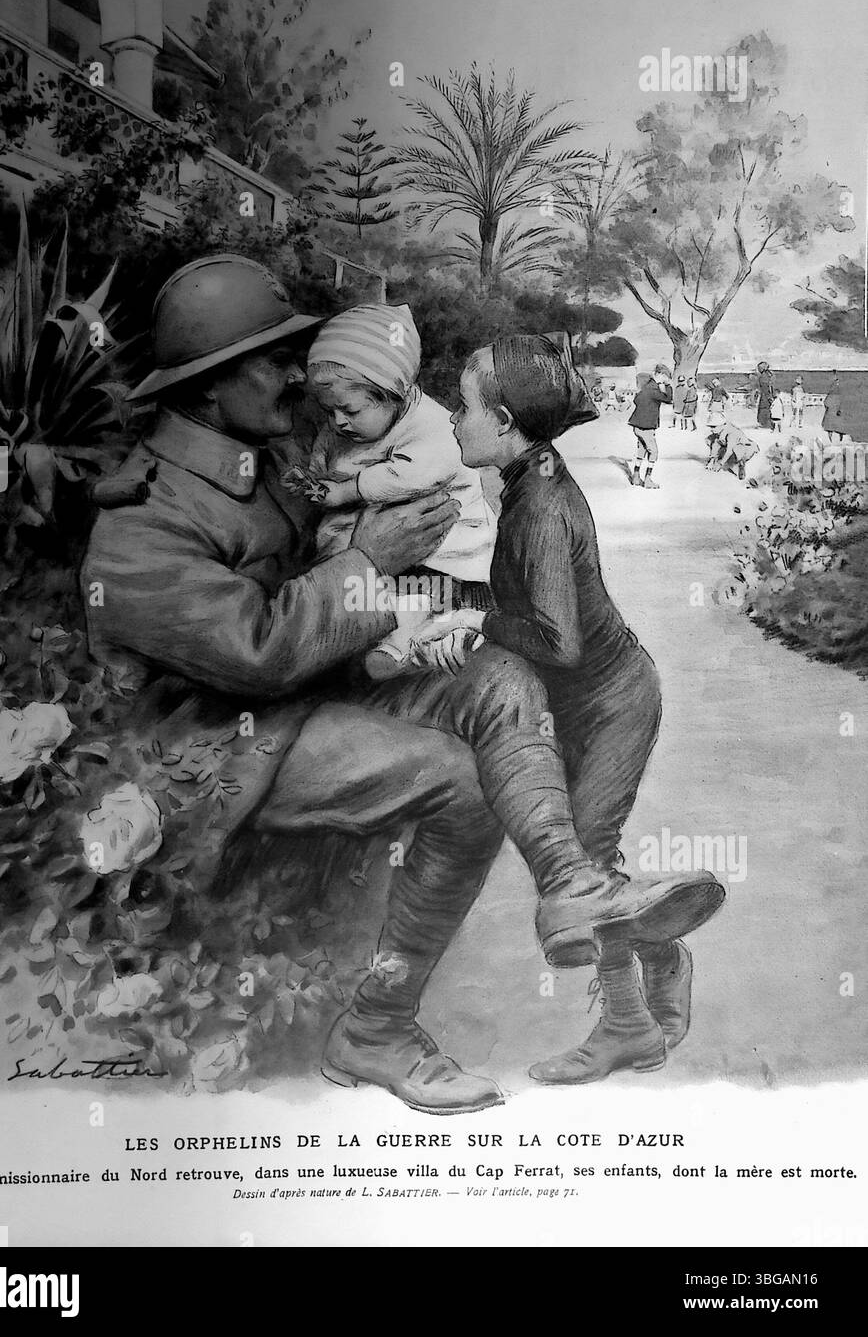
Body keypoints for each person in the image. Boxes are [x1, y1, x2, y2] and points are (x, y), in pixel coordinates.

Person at [82, 255, 512, 1115]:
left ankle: (579, 886)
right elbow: (257, 653)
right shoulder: (143, 519)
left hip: (307, 693)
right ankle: (378, 1029)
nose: (295, 376)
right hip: (216, 742)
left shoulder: (267, 460)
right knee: (464, 785)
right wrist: (369, 563)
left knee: (503, 681)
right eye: (271, 361)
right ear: (208, 388)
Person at [410, 333, 725, 1083]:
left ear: (505, 421)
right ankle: (652, 978)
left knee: (586, 873)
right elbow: (529, 601)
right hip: (582, 701)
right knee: (590, 874)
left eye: (465, 405)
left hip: (612, 703)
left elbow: (558, 640)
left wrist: (474, 620)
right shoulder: (528, 479)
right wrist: (456, 602)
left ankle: (629, 1023)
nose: (453, 418)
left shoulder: (540, 504)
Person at [301, 303, 496, 678]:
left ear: (395, 394)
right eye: (328, 411)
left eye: (350, 410)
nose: (338, 422)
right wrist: (316, 484)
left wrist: (345, 491)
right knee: (364, 594)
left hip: (445, 551)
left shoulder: (431, 426)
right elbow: (325, 460)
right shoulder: (341, 429)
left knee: (420, 597)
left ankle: (401, 645)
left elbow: (412, 477)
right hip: (383, 543)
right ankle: (381, 645)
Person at [628, 364, 673, 487]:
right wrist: (667, 386)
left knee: (641, 450)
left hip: (637, 425)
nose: (667, 379)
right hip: (646, 426)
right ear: (660, 374)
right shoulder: (654, 389)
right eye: (666, 377)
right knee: (654, 452)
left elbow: (636, 400)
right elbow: (668, 399)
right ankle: (648, 480)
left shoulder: (646, 386)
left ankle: (636, 477)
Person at [822, 372, 847, 442]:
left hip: (831, 413)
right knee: (840, 428)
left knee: (830, 428)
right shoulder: (841, 393)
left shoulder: (831, 394)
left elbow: (826, 403)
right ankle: (840, 440)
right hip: (838, 413)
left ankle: (831, 440)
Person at [754, 360, 776, 430]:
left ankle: (765, 424)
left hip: (765, 395)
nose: (758, 370)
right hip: (769, 394)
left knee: (764, 409)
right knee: (769, 409)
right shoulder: (770, 375)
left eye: (759, 368)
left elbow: (765, 388)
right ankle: (768, 423)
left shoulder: (763, 377)